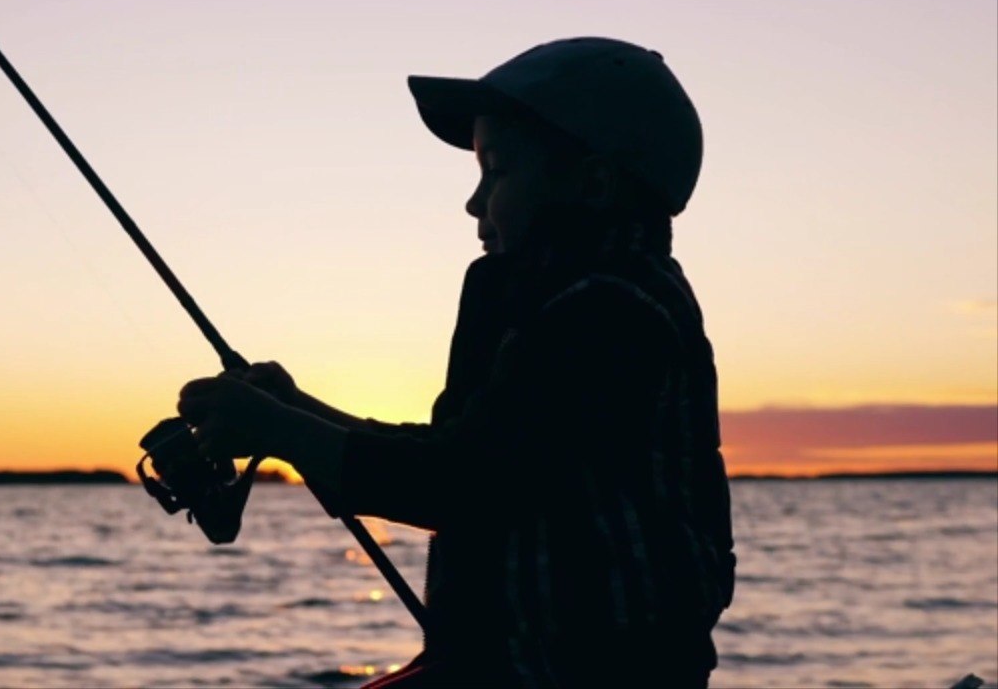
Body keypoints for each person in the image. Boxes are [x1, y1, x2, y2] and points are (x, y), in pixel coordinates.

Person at [173, 37, 735, 688]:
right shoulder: (549, 306)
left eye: (495, 171)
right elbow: (460, 453)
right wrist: (297, 409)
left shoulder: (610, 313)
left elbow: (468, 484)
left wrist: (281, 431)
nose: (474, 203)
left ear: (593, 184)